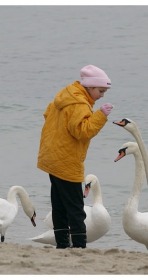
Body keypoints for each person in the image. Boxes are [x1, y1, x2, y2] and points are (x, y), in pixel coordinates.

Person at [37, 65, 113, 249]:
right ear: (90, 87)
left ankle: (62, 243)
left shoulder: (65, 95)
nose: (102, 95)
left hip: (51, 156)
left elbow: (47, 114)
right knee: (75, 206)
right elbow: (82, 131)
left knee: (59, 203)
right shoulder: (79, 103)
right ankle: (79, 246)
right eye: (100, 91)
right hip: (67, 160)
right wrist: (101, 115)